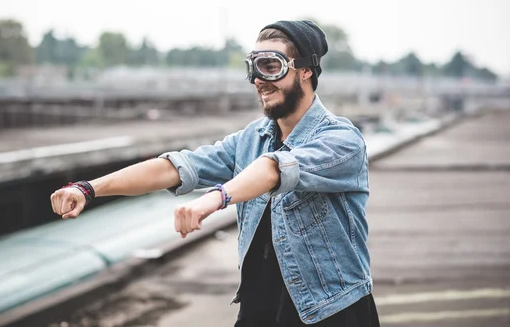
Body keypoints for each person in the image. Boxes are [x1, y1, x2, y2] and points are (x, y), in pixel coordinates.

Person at [50, 20, 380, 326]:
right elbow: (177, 167)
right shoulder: (252, 138)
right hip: (260, 311)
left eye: (271, 66)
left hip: (330, 311)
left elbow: (275, 169)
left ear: (305, 71)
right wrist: (87, 188)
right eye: (253, 68)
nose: (259, 80)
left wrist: (213, 199)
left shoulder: (342, 140)